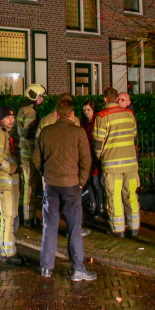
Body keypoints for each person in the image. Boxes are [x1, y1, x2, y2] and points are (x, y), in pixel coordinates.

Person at [32, 102, 96, 281]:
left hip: (51, 185)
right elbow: (86, 159)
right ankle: (78, 268)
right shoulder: (78, 132)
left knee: (49, 226)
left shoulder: (46, 132)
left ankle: (46, 267)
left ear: (56, 113)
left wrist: (45, 173)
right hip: (71, 185)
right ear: (72, 114)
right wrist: (81, 181)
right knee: (74, 227)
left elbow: (36, 157)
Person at [94, 87, 140, 238]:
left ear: (105, 99)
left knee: (113, 196)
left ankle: (118, 229)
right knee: (131, 194)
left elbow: (98, 142)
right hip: (131, 164)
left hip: (112, 164)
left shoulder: (102, 116)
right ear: (117, 98)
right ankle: (134, 227)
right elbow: (134, 135)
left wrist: (100, 156)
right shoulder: (129, 115)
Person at [0, 105, 26, 264]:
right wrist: (13, 169)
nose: (11, 120)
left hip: (8, 182)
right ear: (1, 118)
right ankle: (8, 253)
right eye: (8, 117)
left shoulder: (5, 134)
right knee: (9, 216)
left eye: (13, 117)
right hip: (5, 181)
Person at [16, 83, 46, 227]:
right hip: (28, 154)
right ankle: (29, 218)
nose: (42, 99)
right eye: (40, 97)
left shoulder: (22, 110)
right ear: (33, 96)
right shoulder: (31, 113)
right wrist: (36, 154)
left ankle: (24, 215)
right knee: (30, 185)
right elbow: (29, 135)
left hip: (22, 153)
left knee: (25, 184)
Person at [80, 100, 104, 218]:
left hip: (95, 155)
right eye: (84, 110)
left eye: (88, 110)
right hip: (87, 155)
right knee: (89, 181)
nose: (86, 113)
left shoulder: (96, 121)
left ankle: (100, 206)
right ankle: (92, 205)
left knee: (95, 181)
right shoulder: (83, 123)